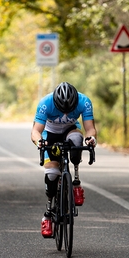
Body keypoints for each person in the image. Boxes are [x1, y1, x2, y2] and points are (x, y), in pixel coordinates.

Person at [31, 82, 97, 237]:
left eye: (70, 109)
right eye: (63, 109)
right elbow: (35, 131)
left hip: (70, 130)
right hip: (50, 134)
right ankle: (48, 214)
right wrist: (40, 141)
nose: (66, 112)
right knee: (52, 174)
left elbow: (90, 128)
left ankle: (75, 181)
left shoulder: (84, 101)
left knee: (76, 140)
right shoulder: (45, 103)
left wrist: (91, 138)